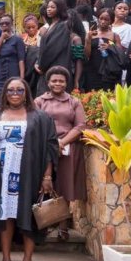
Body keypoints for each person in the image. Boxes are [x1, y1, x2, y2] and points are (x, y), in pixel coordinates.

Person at [0, 78, 58, 261]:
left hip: (30, 172)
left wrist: (47, 175)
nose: (14, 93)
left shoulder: (40, 117)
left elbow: (50, 148)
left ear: (26, 92)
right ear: (4, 93)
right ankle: (6, 260)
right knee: (5, 215)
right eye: (10, 90)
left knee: (28, 216)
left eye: (19, 89)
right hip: (2, 173)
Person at [35, 66, 87, 241]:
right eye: (54, 80)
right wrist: (49, 143)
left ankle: (63, 227)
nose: (58, 83)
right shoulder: (39, 101)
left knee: (64, 186)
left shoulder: (74, 102)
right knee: (43, 184)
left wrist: (62, 142)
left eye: (61, 81)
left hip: (67, 147)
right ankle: (43, 224)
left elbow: (80, 126)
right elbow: (33, 122)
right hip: (43, 147)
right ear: (48, 82)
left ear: (67, 83)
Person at [35, 0, 81, 95]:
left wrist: (41, 65)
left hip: (57, 68)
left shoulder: (62, 26)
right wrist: (37, 62)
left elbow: (52, 50)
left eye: (53, 7)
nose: (49, 9)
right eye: (48, 7)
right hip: (48, 69)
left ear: (59, 9)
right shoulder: (51, 26)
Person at [82, 8, 124, 91]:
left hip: (107, 71)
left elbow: (120, 54)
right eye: (101, 18)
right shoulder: (92, 34)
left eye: (106, 19)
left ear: (111, 21)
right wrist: (88, 39)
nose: (103, 21)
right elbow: (87, 55)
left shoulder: (114, 36)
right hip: (92, 70)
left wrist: (109, 47)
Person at [0, 15, 26, 108]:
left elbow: (21, 60)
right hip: (1, 73)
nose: (4, 25)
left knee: (14, 97)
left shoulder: (17, 39)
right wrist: (2, 39)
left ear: (11, 25)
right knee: (0, 100)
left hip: (13, 72)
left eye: (7, 23)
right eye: (2, 23)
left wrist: (21, 79)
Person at [21, 14, 41, 93]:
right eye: (28, 28)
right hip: (27, 70)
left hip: (36, 70)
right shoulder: (23, 39)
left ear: (37, 26)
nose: (31, 29)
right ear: (24, 28)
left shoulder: (41, 37)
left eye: (33, 27)